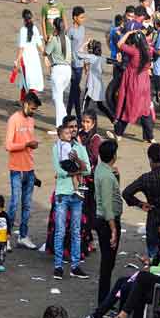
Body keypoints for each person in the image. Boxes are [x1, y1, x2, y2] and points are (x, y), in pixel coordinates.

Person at [51, 117, 90, 280]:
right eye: (70, 127)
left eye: (75, 127)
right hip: (62, 194)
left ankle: (75, 266)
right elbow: (58, 171)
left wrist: (76, 161)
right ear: (64, 130)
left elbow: (87, 169)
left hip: (76, 195)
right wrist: (75, 172)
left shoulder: (79, 148)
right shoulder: (56, 148)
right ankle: (58, 266)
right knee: (60, 231)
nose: (73, 130)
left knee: (75, 231)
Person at [6, 92, 41, 250]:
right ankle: (5, 238)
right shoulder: (14, 119)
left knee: (27, 205)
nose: (33, 112)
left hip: (29, 168)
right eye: (32, 108)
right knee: (14, 204)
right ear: (25, 104)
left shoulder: (31, 120)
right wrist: (26, 145)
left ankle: (23, 235)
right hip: (16, 169)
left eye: (35, 109)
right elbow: (8, 145)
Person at [93, 139, 123, 304]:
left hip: (104, 220)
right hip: (107, 222)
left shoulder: (103, 170)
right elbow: (107, 205)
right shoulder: (105, 175)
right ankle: (103, 302)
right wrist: (113, 230)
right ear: (113, 155)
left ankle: (103, 301)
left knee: (108, 263)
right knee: (107, 264)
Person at [114, 30, 155, 142]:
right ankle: (150, 137)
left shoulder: (134, 51)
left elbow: (119, 44)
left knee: (128, 108)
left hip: (133, 82)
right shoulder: (148, 51)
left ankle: (118, 133)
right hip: (144, 83)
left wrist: (128, 33)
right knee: (145, 111)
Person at [44, 17, 74, 129]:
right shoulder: (66, 39)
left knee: (58, 99)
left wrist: (50, 36)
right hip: (67, 70)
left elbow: (46, 52)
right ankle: (65, 122)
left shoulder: (54, 39)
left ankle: (62, 125)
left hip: (58, 71)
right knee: (59, 98)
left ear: (55, 27)